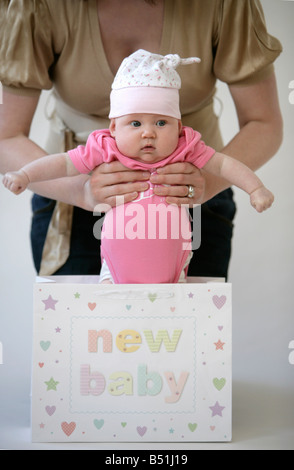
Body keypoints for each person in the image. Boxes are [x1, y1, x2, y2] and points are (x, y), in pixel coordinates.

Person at [0, 0, 283, 280]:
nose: (148, 133)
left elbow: (261, 125)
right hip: (69, 202)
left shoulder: (223, 5)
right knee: (90, 321)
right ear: (112, 128)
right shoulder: (39, 6)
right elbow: (12, 138)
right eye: (135, 124)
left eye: (162, 123)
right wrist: (78, 190)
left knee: (180, 321)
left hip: (195, 202)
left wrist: (210, 184)